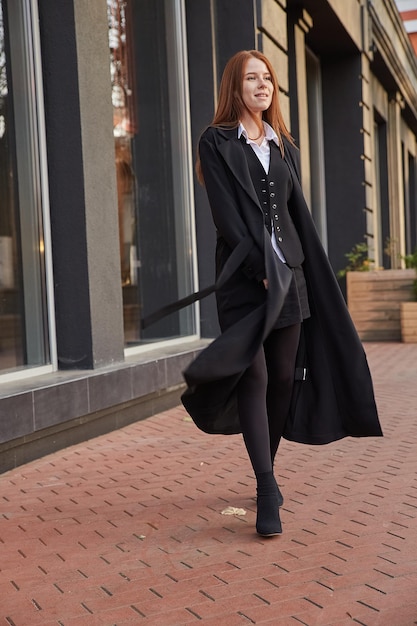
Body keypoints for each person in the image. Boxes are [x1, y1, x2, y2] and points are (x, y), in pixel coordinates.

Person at [181, 50, 383, 538]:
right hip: (244, 280)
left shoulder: (284, 144)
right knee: (255, 373)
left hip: (290, 277)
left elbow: (295, 217)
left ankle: (262, 469)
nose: (262, 85)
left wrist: (292, 267)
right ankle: (267, 486)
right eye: (252, 78)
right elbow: (225, 217)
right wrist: (260, 267)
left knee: (283, 380)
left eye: (268, 78)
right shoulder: (217, 142)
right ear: (235, 86)